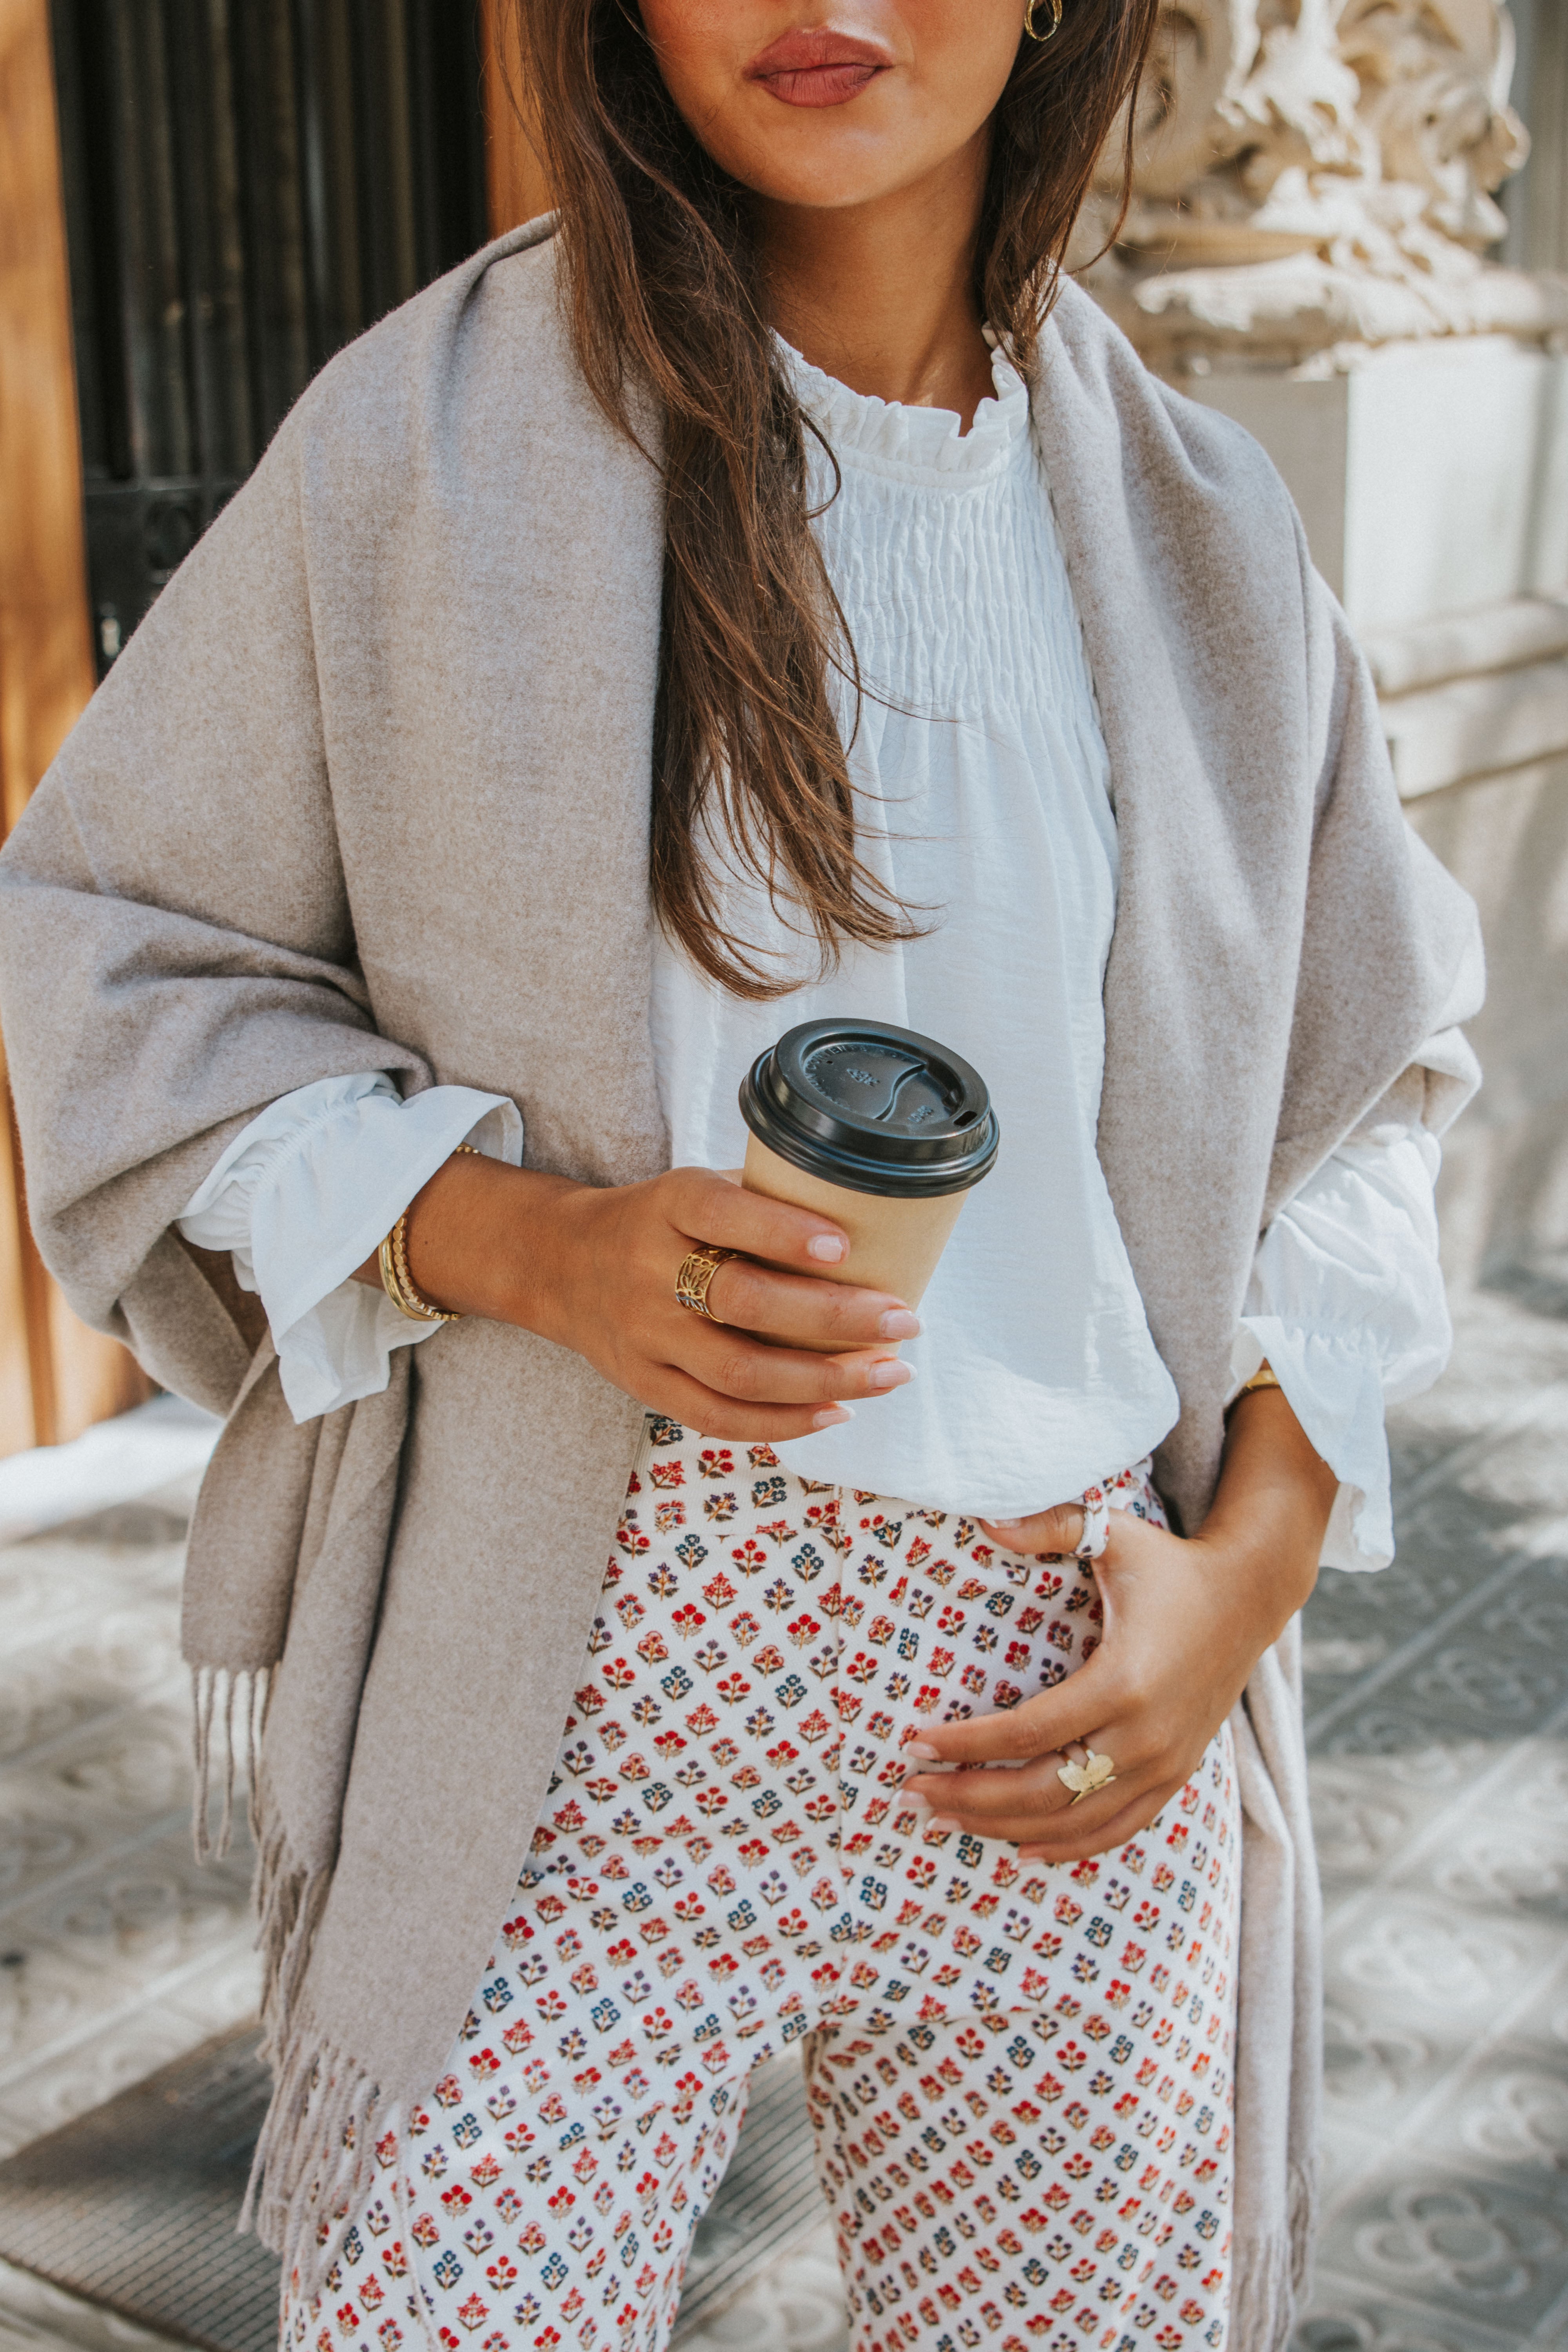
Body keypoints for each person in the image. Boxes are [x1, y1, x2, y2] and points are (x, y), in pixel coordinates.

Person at [0, 5, 1482, 2351]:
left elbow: (1360, 1086)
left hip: (1067, 1691)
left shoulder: (1201, 528)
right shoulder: (420, 441)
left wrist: (1250, 1575)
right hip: (576, 1708)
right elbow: (108, 942)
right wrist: (518, 1240)